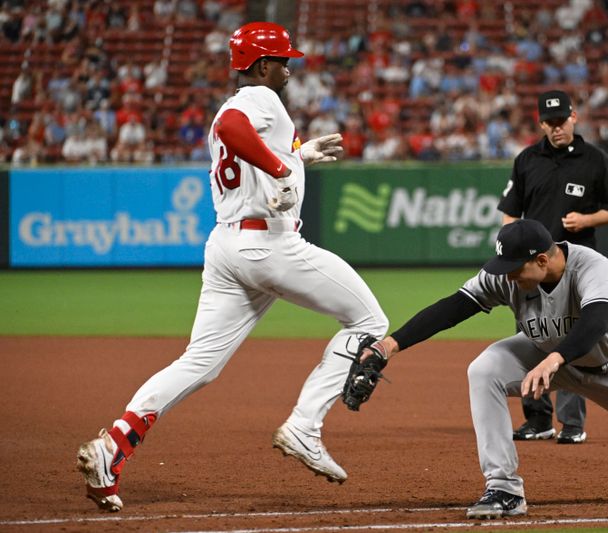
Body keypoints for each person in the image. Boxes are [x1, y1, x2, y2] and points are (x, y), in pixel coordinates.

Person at [76, 22, 389, 513]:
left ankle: (113, 447)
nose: (289, 68)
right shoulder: (259, 100)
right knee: (370, 321)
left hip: (227, 246)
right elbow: (234, 132)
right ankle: (305, 425)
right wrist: (286, 168)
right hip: (271, 244)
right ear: (263, 66)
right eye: (283, 60)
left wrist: (299, 156)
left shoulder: (243, 106)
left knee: (199, 362)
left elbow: (242, 151)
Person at [365, 219, 608, 519]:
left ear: (543, 260)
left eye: (515, 269)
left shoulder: (593, 267)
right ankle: (504, 489)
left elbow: (596, 320)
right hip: (545, 356)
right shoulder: (509, 277)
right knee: (484, 371)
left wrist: (555, 358)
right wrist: (390, 344)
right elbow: (454, 306)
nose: (507, 276)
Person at [497, 90, 608, 444]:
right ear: (541, 123)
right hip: (532, 271)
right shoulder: (526, 160)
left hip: (575, 269)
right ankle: (537, 419)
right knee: (531, 337)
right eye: (549, 122)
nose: (556, 128)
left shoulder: (595, 159)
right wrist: (510, 244)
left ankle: (571, 423)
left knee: (571, 339)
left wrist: (586, 219)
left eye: (562, 120)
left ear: (574, 117)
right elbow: (511, 210)